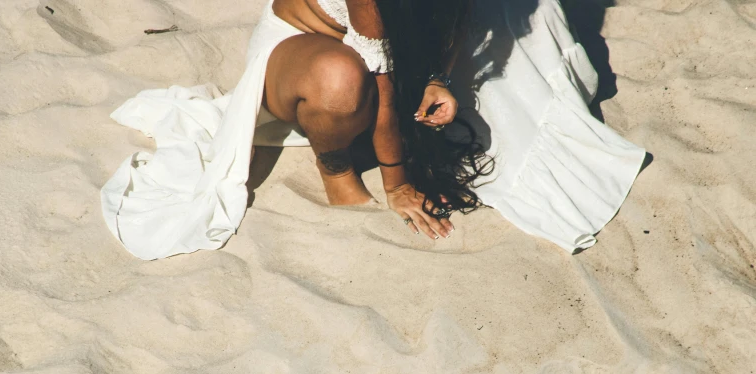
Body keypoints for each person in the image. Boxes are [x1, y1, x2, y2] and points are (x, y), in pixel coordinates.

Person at [102, 0, 646, 260]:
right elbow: (381, 85)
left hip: (389, 46)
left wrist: (438, 79)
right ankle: (334, 166)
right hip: (302, 57)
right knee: (344, 84)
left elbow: (448, 18)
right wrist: (396, 181)